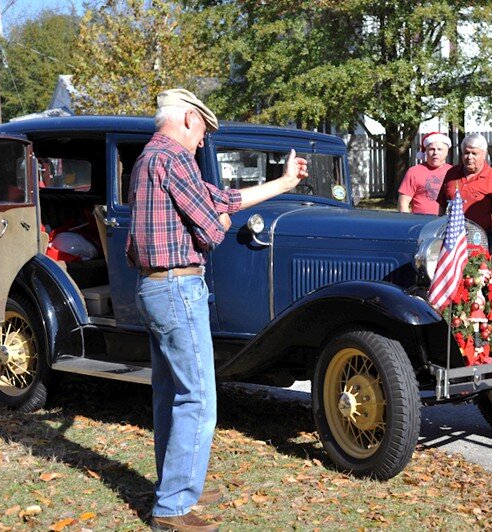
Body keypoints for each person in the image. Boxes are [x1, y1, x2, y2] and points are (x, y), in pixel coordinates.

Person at [126, 88, 307, 531]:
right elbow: (212, 229)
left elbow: (222, 198)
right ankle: (173, 508)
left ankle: (178, 484)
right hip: (176, 287)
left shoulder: (151, 158)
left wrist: (284, 184)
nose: (204, 140)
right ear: (187, 119)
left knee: (171, 394)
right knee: (199, 398)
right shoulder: (174, 159)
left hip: (155, 288)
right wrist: (218, 221)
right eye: (204, 128)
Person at [437, 133, 492, 250]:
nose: (469, 157)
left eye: (474, 153)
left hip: (482, 238)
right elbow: (442, 205)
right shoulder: (451, 174)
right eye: (466, 153)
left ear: (484, 154)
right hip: (452, 237)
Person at [398, 131, 452, 214]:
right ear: (426, 151)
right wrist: (408, 222)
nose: (435, 153)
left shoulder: (453, 172)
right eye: (432, 149)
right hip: (421, 223)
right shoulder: (414, 172)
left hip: (447, 223)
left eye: (440, 149)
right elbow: (403, 203)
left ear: (447, 152)